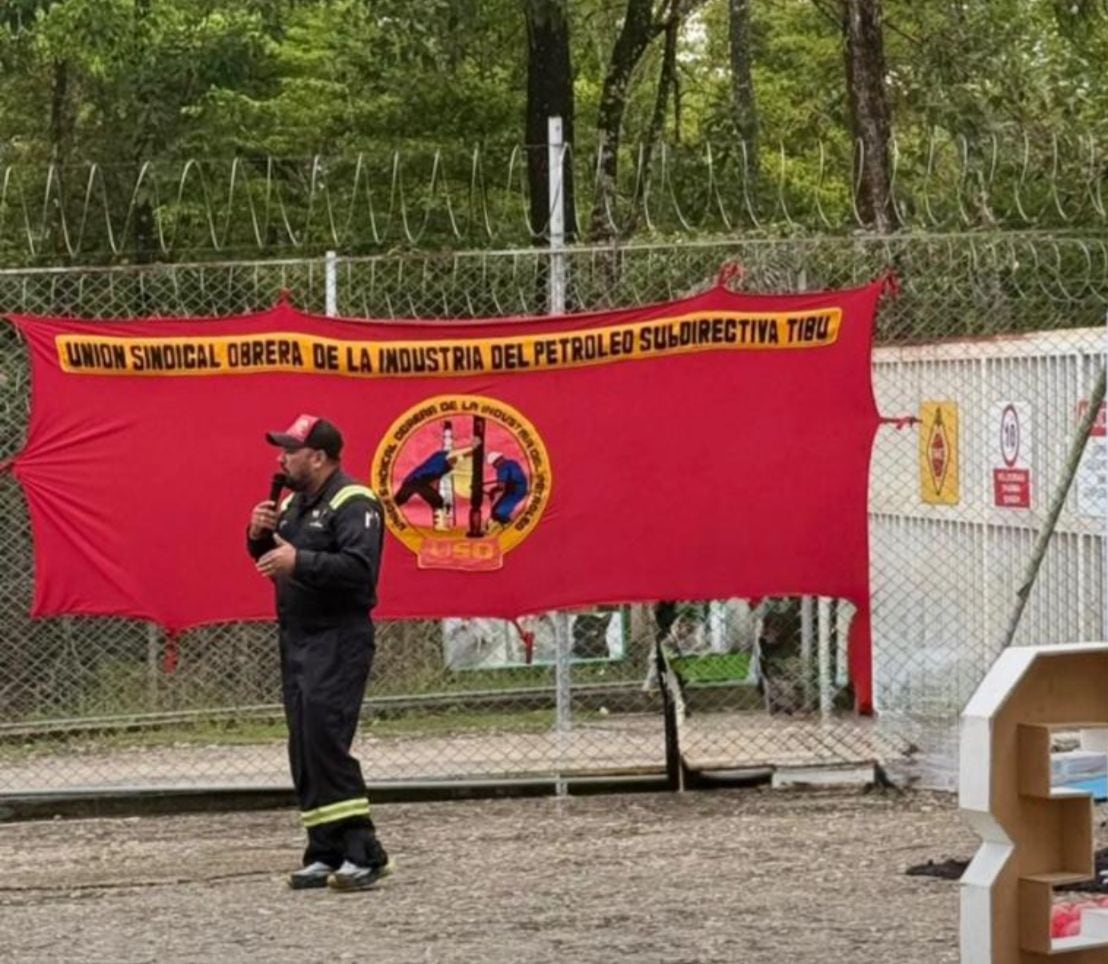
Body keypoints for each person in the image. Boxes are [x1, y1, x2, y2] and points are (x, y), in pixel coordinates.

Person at [246, 413, 392, 892]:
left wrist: (299, 559)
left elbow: (357, 569)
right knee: (304, 744)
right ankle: (324, 850)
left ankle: (364, 853)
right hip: (298, 636)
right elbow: (275, 557)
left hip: (339, 637)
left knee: (326, 739)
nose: (281, 458)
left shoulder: (354, 501)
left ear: (319, 456)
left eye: (290, 450)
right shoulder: (293, 505)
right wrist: (258, 536)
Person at [394, 445, 474, 531]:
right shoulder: (441, 457)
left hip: (420, 483)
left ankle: (439, 525)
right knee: (399, 500)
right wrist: (473, 448)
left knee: (437, 500)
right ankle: (387, 517)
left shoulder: (446, 467)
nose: (454, 463)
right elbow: (458, 453)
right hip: (414, 481)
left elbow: (434, 479)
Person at [485, 450, 528, 533]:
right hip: (521, 488)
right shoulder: (512, 462)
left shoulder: (502, 468)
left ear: (496, 461)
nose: (495, 467)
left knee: (498, 513)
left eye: (494, 465)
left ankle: (511, 529)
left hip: (515, 493)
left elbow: (501, 486)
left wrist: (492, 490)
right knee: (495, 508)